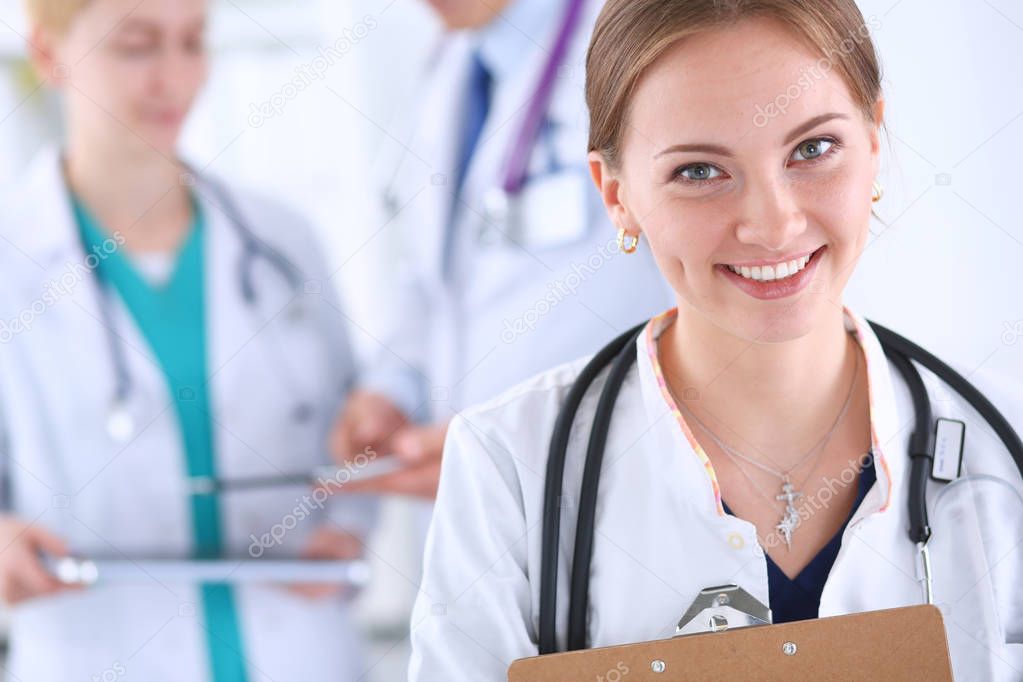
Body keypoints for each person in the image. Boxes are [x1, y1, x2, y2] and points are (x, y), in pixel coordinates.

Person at [408, 0, 1023, 679]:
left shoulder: (1007, 444)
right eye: (699, 171)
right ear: (615, 193)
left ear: (874, 142)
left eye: (812, 149)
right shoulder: (506, 466)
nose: (772, 225)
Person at [0, 0, 373, 679]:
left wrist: (349, 524)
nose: (173, 77)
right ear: (50, 57)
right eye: (137, 46)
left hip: (299, 649)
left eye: (192, 41)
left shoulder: (282, 242)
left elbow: (359, 433)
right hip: (99, 652)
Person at [329, 0, 674, 498]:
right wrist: (393, 390)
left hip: (613, 497)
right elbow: (436, 282)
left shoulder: (641, 45)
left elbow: (714, 313)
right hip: (482, 516)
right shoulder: (450, 67)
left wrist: (525, 444)